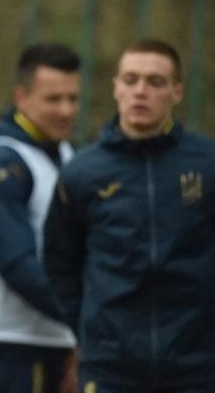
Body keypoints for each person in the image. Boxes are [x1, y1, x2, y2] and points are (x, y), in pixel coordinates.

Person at [43, 39, 215, 392]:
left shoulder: (207, 165)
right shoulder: (81, 174)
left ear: (177, 92)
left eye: (155, 82)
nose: (140, 91)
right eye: (131, 79)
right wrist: (93, 331)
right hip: (110, 368)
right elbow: (60, 263)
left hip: (197, 368)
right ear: (116, 88)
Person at [0, 43, 81, 393]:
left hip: (60, 338)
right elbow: (18, 264)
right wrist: (86, 318)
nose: (66, 110)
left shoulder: (70, 156)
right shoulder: (0, 161)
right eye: (53, 99)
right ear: (21, 97)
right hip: (4, 341)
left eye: (73, 98)